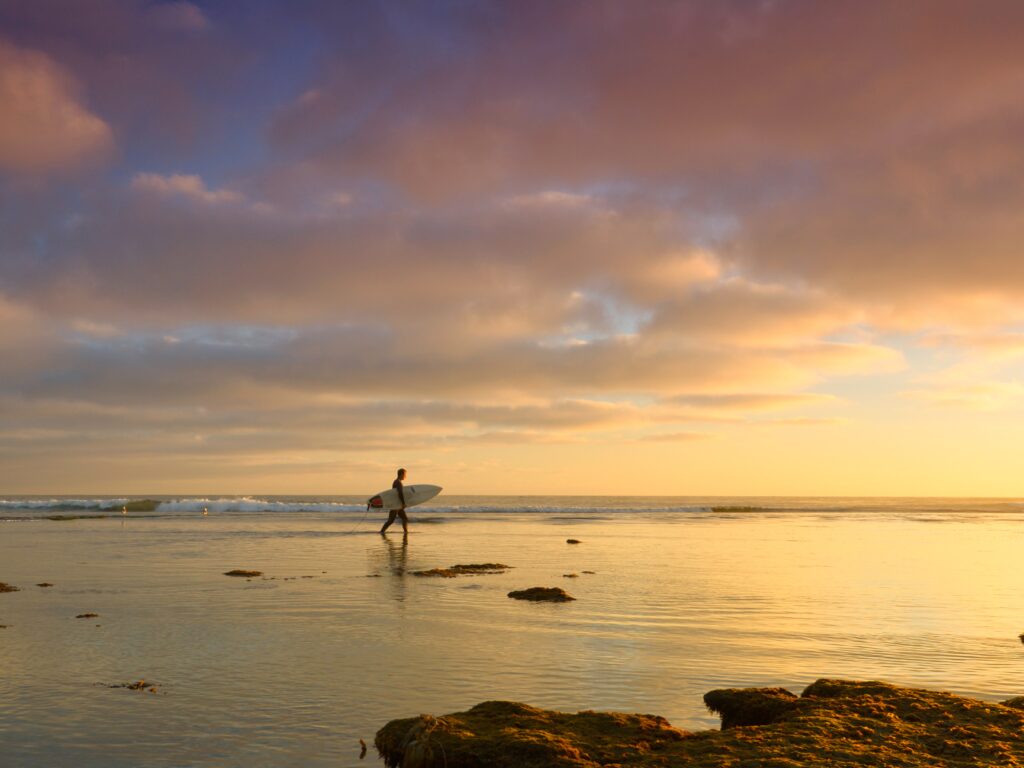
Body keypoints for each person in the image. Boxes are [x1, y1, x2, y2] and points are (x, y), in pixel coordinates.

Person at [379, 467, 409, 534]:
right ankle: (381, 532)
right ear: (401, 474)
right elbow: (400, 493)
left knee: (404, 518)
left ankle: (405, 532)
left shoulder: (396, 482)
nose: (405, 476)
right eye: (405, 474)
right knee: (391, 520)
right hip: (396, 505)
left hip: (397, 504)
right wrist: (403, 503)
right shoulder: (398, 482)